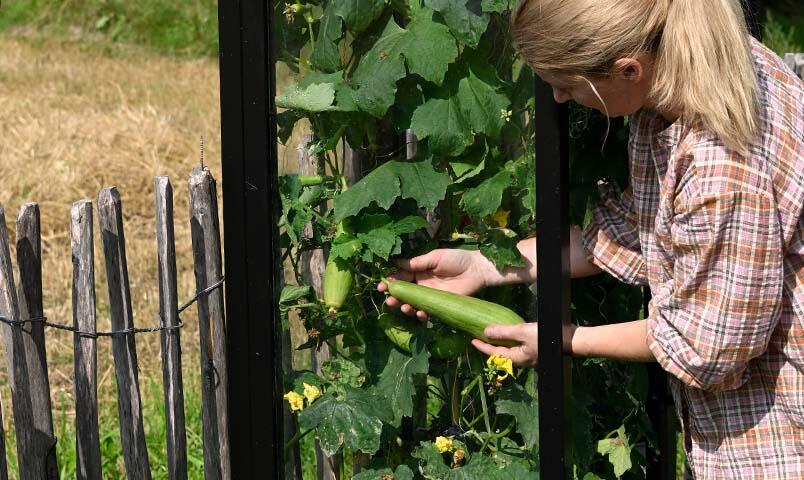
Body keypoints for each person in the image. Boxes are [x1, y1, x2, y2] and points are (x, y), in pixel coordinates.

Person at [378, 0, 804, 478]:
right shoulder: (704, 64)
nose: (558, 99)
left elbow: (707, 347)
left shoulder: (718, 168)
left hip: (777, 433)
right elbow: (641, 236)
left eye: (567, 85)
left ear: (627, 69)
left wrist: (560, 340)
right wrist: (485, 265)